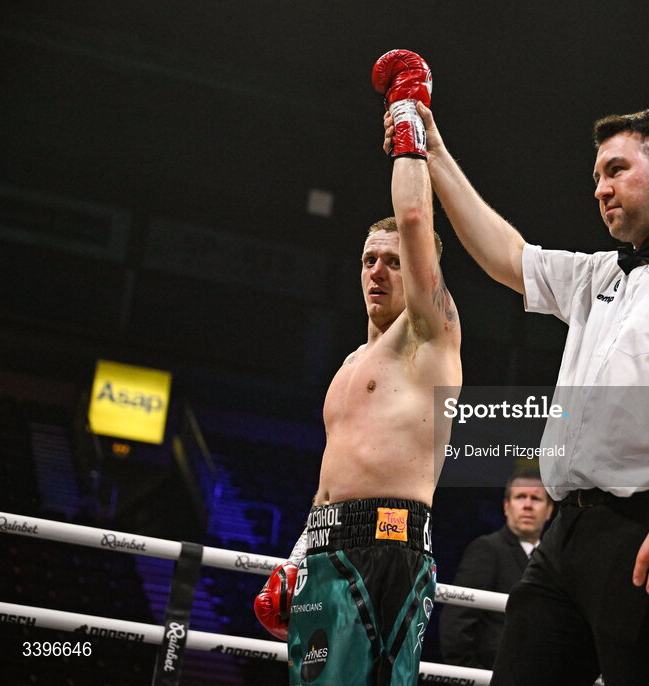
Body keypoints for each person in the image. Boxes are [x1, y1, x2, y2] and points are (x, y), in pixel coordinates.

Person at [384, 100, 649, 683]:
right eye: (596, 176)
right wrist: (436, 151)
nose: (600, 189)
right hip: (564, 535)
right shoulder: (601, 274)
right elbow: (507, 257)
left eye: (616, 170)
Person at [252, 50, 462, 686]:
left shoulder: (432, 335)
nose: (378, 270)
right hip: (325, 549)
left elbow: (417, 217)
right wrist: (295, 557)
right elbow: (330, 478)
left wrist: (407, 122)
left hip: (389, 548)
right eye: (370, 259)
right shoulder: (349, 365)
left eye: (394, 262)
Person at [440, 467, 555, 669]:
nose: (527, 505)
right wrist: (472, 679)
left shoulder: (554, 562)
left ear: (549, 511)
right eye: (520, 497)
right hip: (490, 675)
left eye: (536, 499)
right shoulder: (487, 549)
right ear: (506, 506)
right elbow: (457, 623)